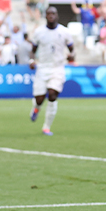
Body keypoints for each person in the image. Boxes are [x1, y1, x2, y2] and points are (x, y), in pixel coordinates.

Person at [29, 7, 74, 136]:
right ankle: (36, 108)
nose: (51, 15)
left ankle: (46, 127)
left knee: (52, 94)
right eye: (48, 13)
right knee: (39, 99)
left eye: (53, 13)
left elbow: (72, 49)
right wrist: (32, 60)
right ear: (46, 16)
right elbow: (32, 49)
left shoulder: (64, 32)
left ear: (57, 15)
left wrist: (72, 56)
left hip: (57, 67)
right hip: (43, 67)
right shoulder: (39, 32)